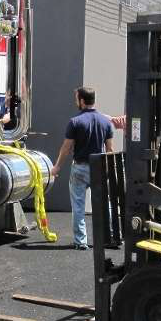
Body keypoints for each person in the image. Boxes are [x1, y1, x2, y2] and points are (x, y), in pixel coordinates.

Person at [51, 87, 114, 250]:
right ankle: (109, 238)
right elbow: (110, 150)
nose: (75, 102)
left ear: (82, 101)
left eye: (76, 99)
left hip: (79, 168)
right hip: (99, 167)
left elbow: (66, 148)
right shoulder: (105, 122)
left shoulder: (75, 122)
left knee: (78, 207)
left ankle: (81, 242)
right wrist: (109, 169)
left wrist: (57, 166)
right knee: (104, 205)